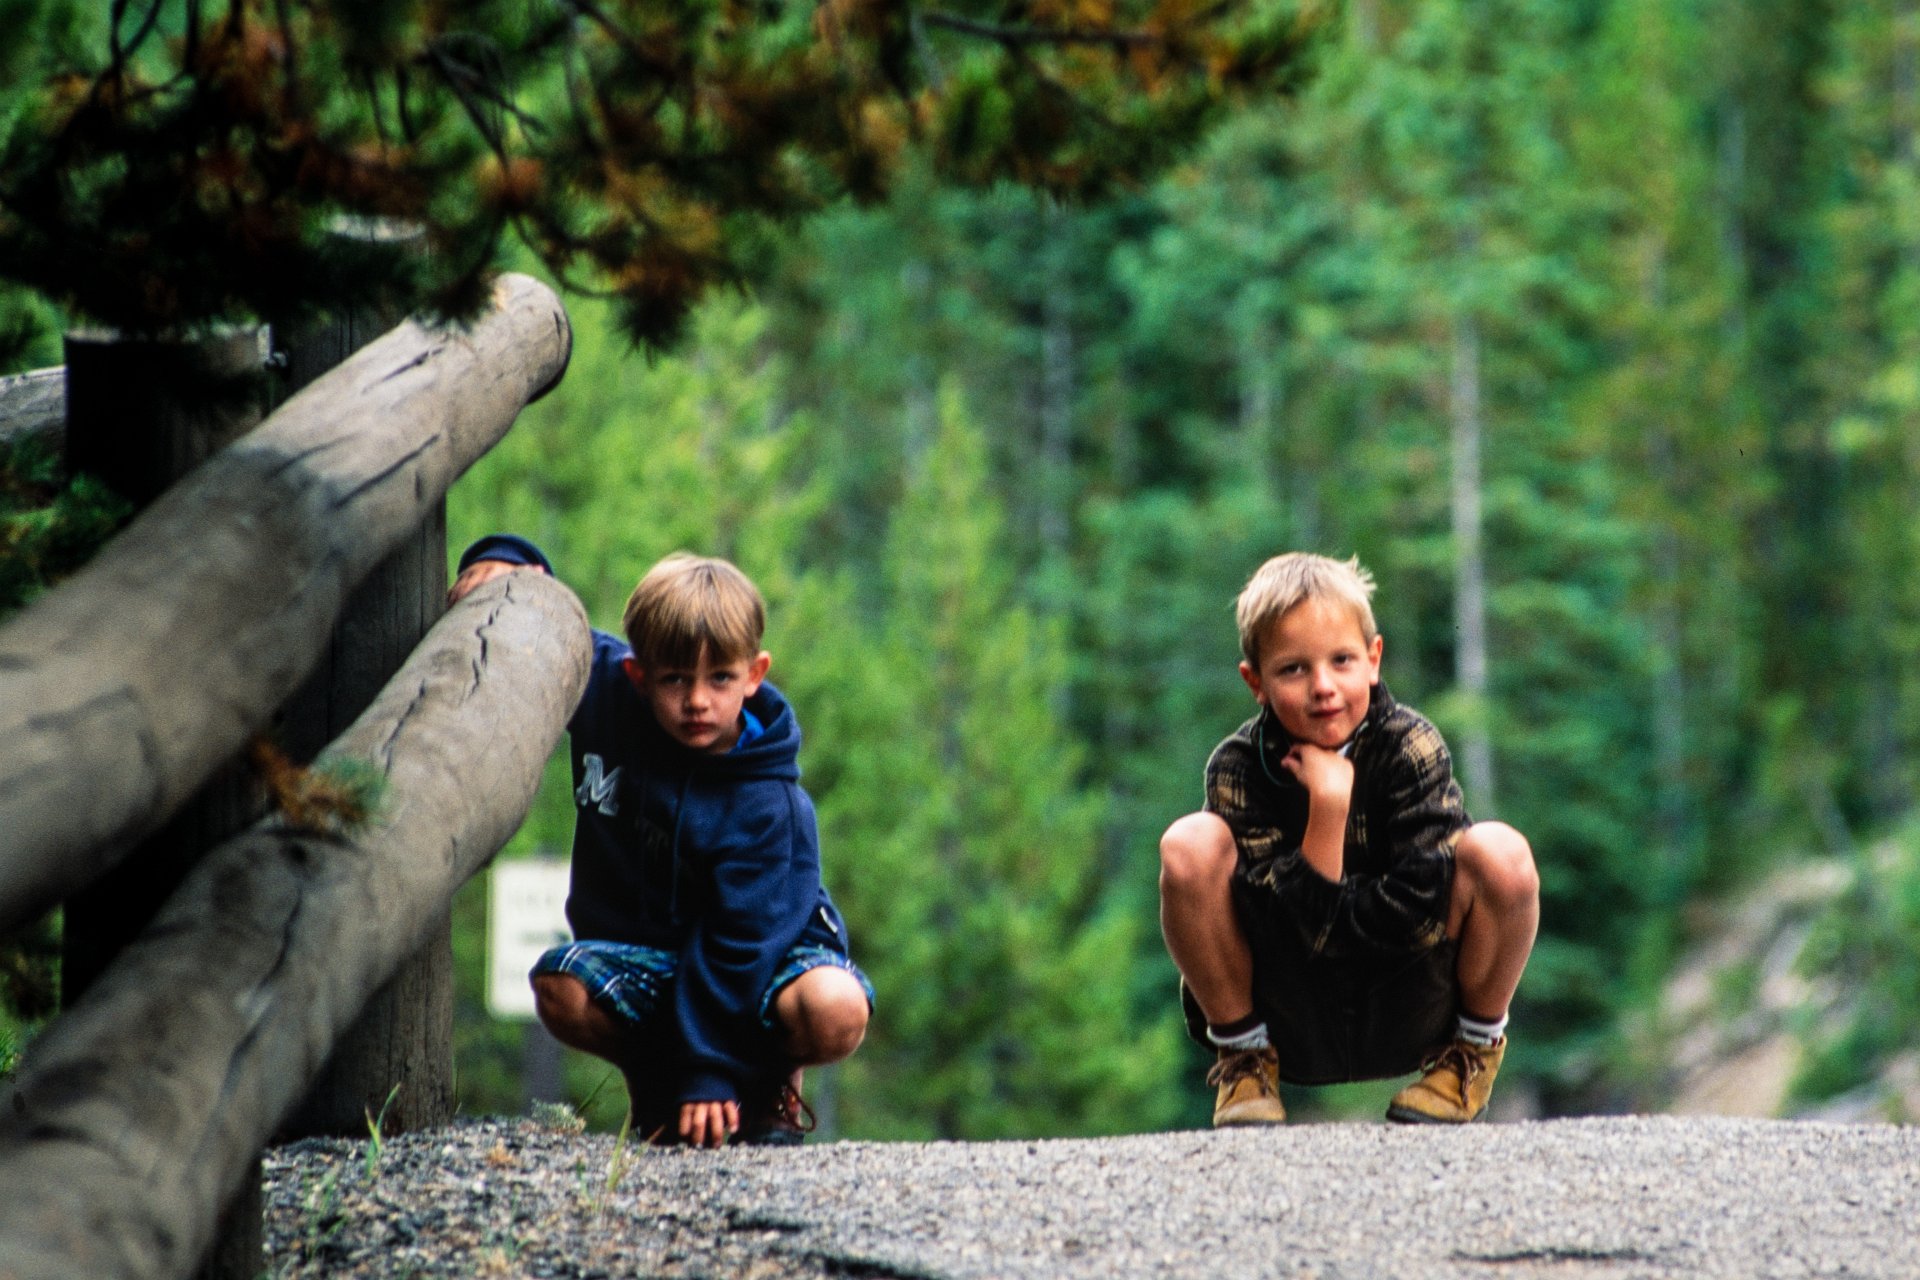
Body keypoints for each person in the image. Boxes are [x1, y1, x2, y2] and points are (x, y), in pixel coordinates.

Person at [449, 535, 872, 1147]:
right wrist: (507, 565)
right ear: (638, 675)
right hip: (651, 953)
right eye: (674, 679)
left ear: (754, 675)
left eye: (720, 678)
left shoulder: (769, 806)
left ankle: (766, 1083)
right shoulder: (608, 695)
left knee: (836, 1007)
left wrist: (709, 1069)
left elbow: (737, 951)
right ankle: (658, 1082)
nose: (697, 700)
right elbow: (550, 626)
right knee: (560, 988)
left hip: (760, 960)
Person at [1158, 552, 1539, 1125]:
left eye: (1341, 661)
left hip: (1408, 1002)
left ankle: (1469, 1058)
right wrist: (1328, 813)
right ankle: (1244, 1064)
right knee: (1188, 845)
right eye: (1293, 669)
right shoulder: (1238, 769)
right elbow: (1288, 937)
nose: (1324, 687)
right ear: (1255, 682)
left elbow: (1415, 917)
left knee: (1503, 855)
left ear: (1373, 659)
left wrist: (1332, 898)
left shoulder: (1411, 748)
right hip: (1289, 1017)